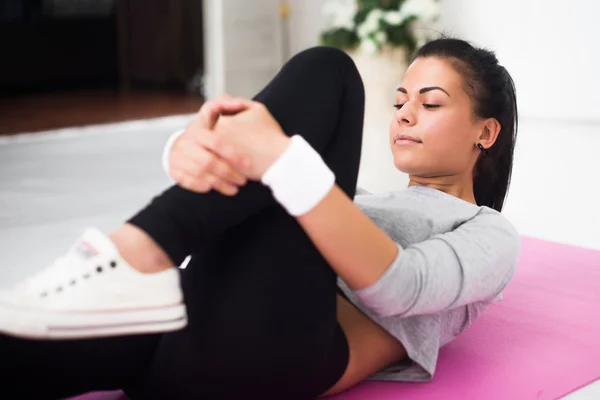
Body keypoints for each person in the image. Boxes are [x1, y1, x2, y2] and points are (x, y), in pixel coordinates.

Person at [0, 38, 521, 399]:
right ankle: (140, 257)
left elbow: (399, 288)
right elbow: (259, 198)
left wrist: (277, 159)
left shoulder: (487, 231)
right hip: (179, 343)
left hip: (274, 352)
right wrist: (186, 149)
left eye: (430, 104)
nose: (404, 114)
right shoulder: (359, 199)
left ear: (486, 133)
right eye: (401, 101)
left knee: (330, 71)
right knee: (21, 343)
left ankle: (137, 249)